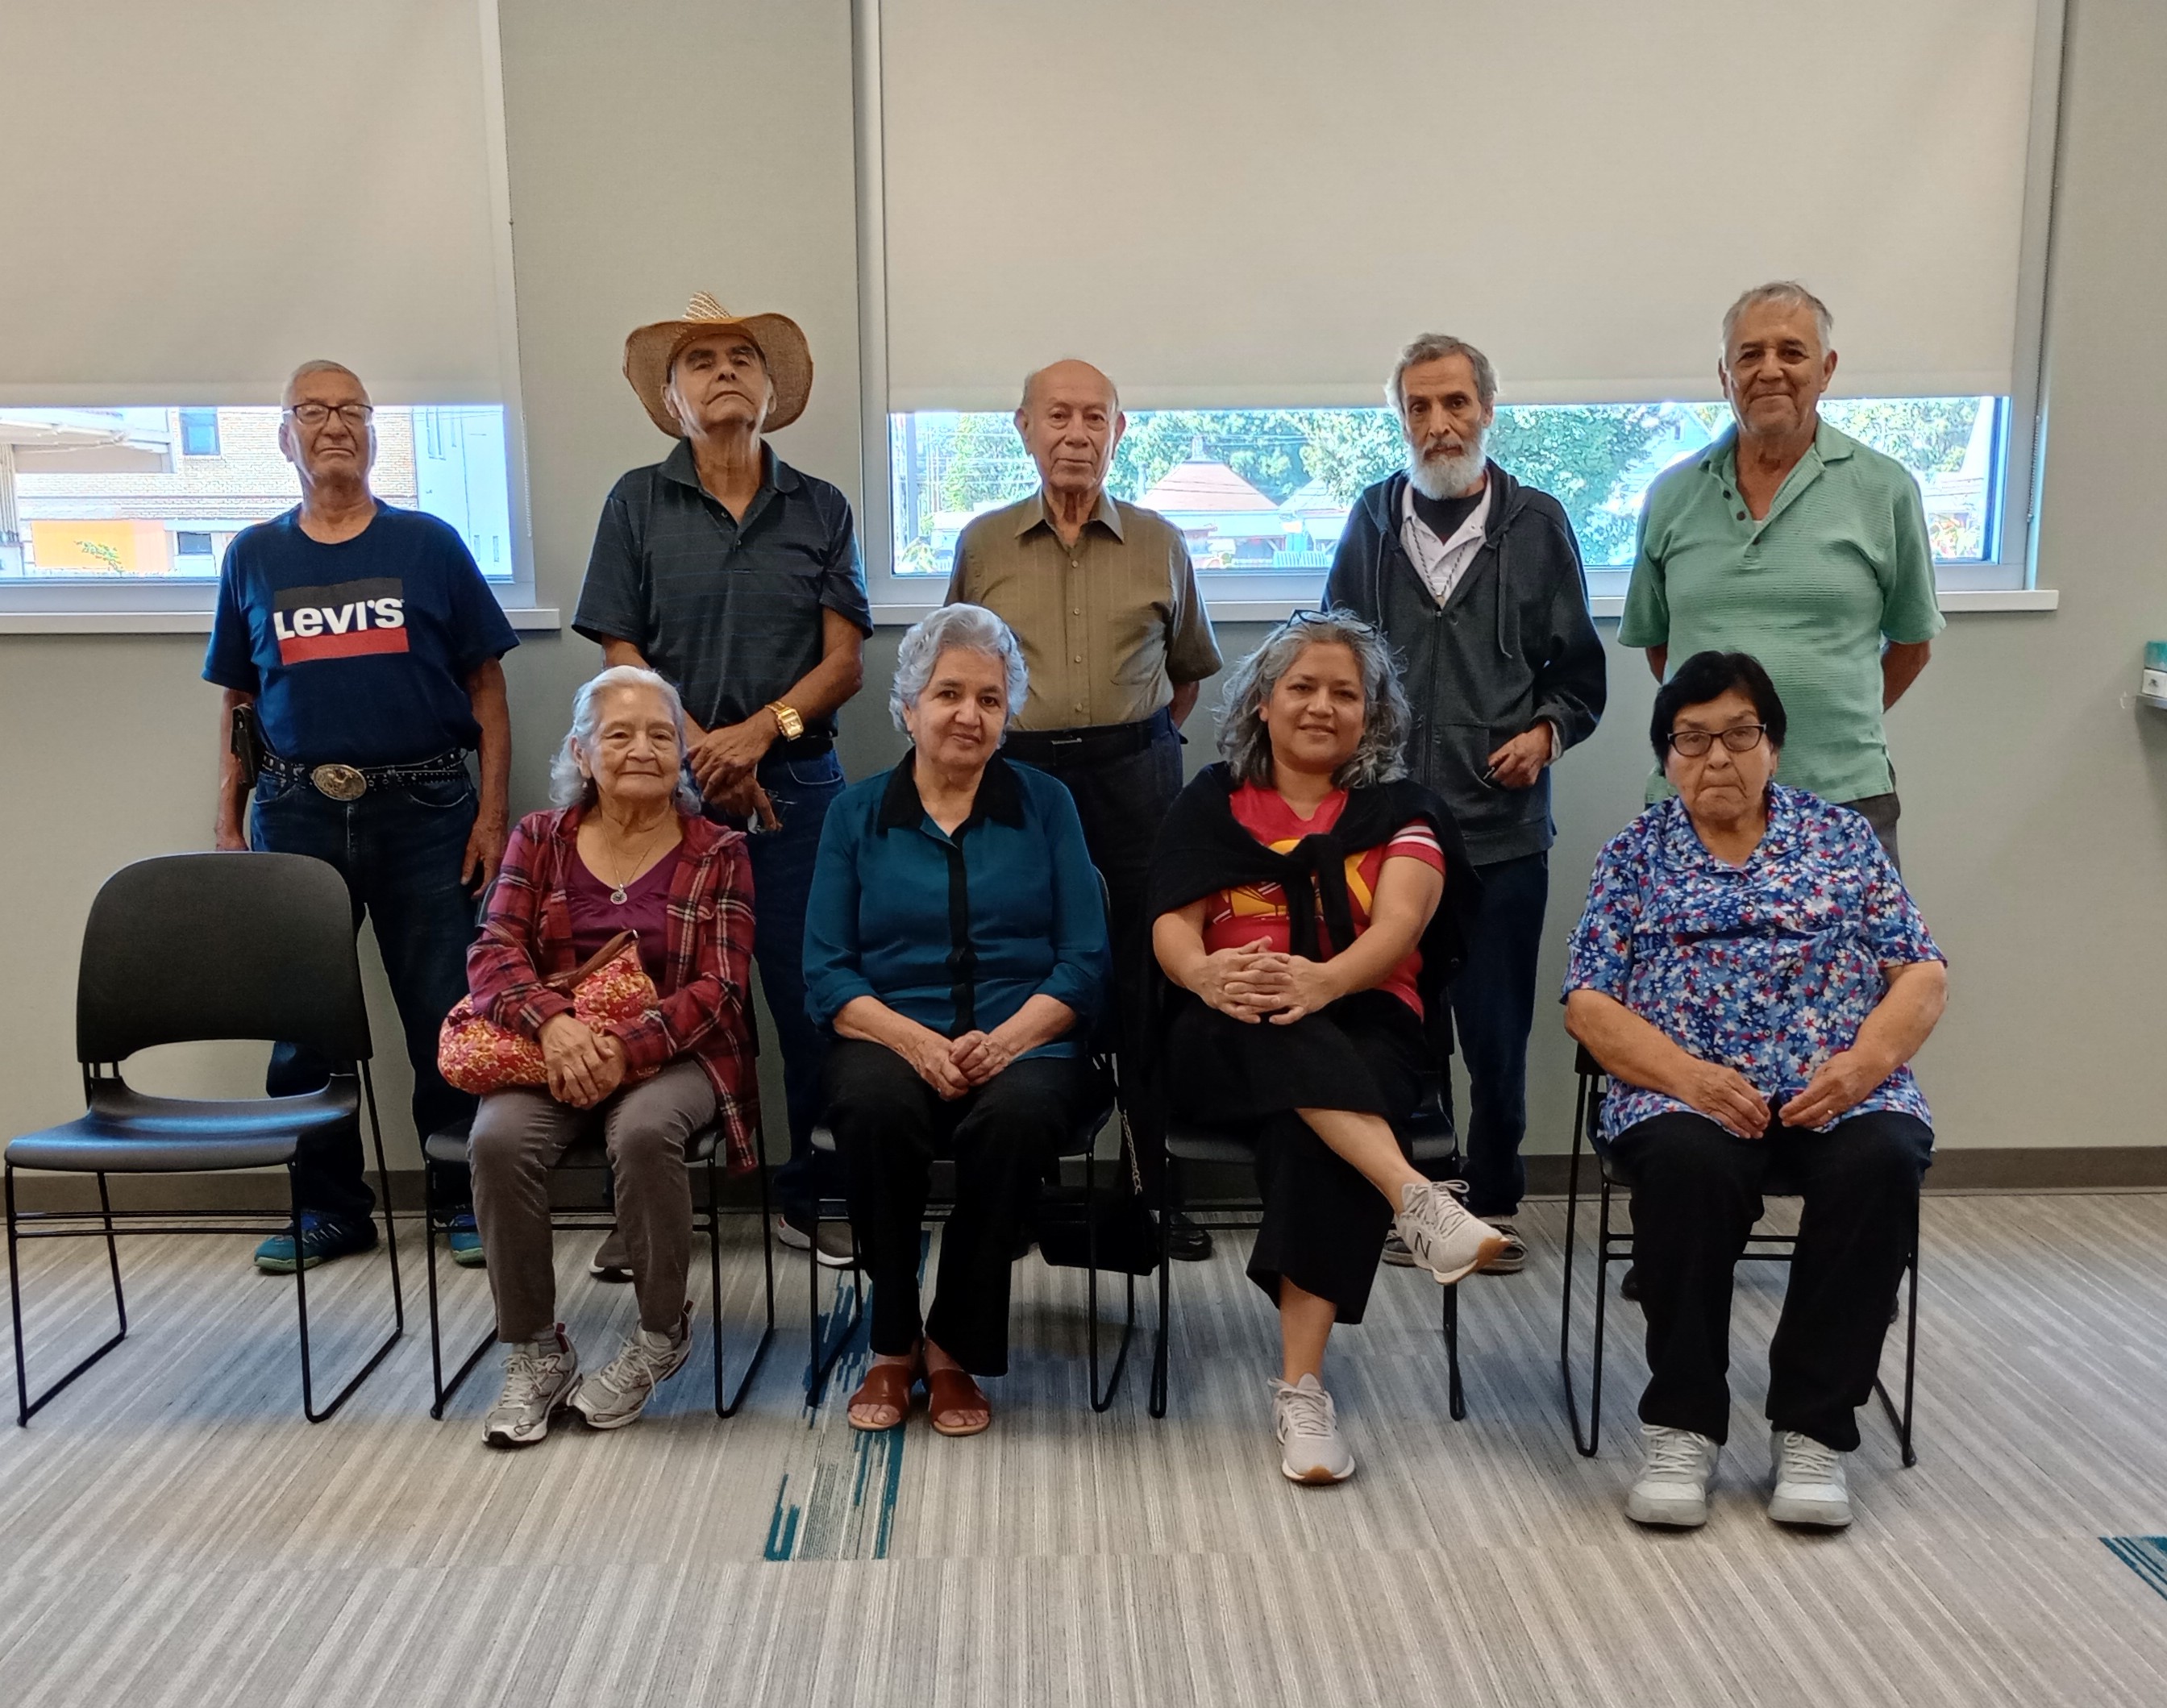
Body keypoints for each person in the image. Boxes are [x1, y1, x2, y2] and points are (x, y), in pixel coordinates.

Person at [1562, 650, 1947, 1531]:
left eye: (1740, 734)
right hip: (1684, 1092)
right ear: (1666, 757)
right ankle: (1683, 1426)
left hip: (1835, 1085)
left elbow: (1921, 972)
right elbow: (1588, 1003)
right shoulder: (1634, 854)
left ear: (1774, 744)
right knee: (1688, 1167)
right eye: (1691, 739)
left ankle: (1814, 1428)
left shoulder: (1840, 838)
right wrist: (1690, 1077)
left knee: (1883, 1157)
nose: (1718, 757)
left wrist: (1863, 1065)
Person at [1148, 610, 1507, 1486]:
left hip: (1370, 1023)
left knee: (1310, 1134)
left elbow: (1403, 922)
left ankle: (1301, 1391)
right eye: (1301, 687)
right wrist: (1204, 975)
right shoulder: (1213, 800)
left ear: (1371, 714)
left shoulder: (1405, 811)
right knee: (1271, 1029)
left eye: (1345, 693)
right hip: (1223, 1025)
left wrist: (1323, 983)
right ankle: (1415, 1196)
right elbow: (1171, 922)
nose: (1321, 706)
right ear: (1262, 703)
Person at [573, 293, 871, 1270]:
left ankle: (816, 1192)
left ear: (773, 388)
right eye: (700, 361)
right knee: (653, 991)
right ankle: (645, 1207)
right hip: (662, 790)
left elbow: (843, 664)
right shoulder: (634, 501)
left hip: (801, 787)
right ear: (672, 397)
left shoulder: (821, 505)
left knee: (811, 994)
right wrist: (703, 750)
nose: (725, 371)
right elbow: (621, 651)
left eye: (743, 356)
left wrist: (757, 735)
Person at [206, 358, 515, 1274]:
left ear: (375, 434)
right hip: (295, 813)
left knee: (447, 1011)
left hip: (428, 811)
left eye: (352, 410)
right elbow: (239, 702)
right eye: (312, 410)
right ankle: (329, 1209)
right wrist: (228, 819)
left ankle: (462, 1197)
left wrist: (492, 815)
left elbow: (487, 686)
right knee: (304, 1024)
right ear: (284, 437)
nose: (334, 424)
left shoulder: (430, 544)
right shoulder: (252, 556)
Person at [1325, 333, 1606, 1270]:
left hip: (1500, 832)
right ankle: (1422, 1194)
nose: (1439, 423)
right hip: (1390, 828)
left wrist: (1546, 734)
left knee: (1494, 1028)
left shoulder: (1537, 523)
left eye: (1455, 402)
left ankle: (1492, 1196)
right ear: (1400, 418)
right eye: (1419, 406)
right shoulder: (1373, 519)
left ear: (1487, 407)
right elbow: (1332, 654)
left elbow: (1580, 677)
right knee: (1403, 1018)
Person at [803, 605, 1111, 1437]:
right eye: (948, 694)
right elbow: (827, 970)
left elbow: (1085, 959)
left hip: (1028, 1040)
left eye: (989, 698)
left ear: (1008, 716)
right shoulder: (855, 815)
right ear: (908, 706)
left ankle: (952, 1344)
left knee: (1017, 1117)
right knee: (872, 1107)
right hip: (887, 1036)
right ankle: (893, 1335)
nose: (969, 714)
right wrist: (915, 1041)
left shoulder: (1048, 805)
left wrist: (1005, 1042)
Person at [946, 359, 1222, 1260]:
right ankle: (1020, 1188)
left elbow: (1186, 676)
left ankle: (1153, 1190)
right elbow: (962, 675)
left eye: (1094, 417)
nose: (1076, 433)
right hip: (1016, 779)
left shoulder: (1160, 541)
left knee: (1146, 982)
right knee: (1017, 968)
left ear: (1119, 431)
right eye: (1058, 415)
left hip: (1135, 778)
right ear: (1024, 429)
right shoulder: (984, 544)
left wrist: (1128, 743)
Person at [463, 667, 759, 1446]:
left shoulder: (719, 849)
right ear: (581, 752)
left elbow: (721, 987)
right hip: (552, 1048)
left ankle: (661, 1331)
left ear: (681, 753)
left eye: (661, 734)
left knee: (644, 1131)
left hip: (679, 1053)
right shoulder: (539, 838)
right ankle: (535, 1348)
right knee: (496, 1140)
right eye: (619, 734)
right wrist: (557, 1028)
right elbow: (493, 951)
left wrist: (622, 1049)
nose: (642, 749)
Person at [1620, 282, 1944, 866]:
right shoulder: (1670, 496)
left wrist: (1825, 729)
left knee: (1862, 934)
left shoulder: (1885, 489)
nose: (1770, 370)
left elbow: (1913, 645)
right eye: (1750, 355)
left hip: (1845, 802)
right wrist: (1725, 740)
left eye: (1792, 352)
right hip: (1699, 807)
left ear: (1827, 369)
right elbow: (1662, 649)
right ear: (1725, 375)